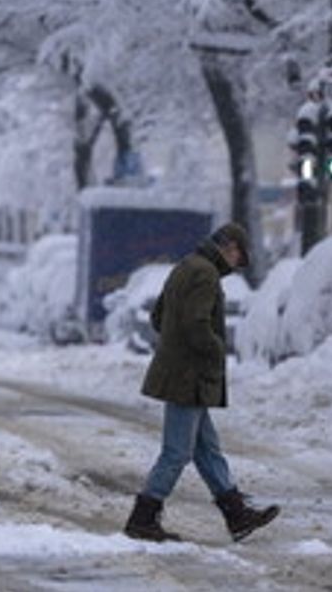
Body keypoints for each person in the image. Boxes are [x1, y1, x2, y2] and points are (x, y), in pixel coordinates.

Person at [124, 222, 280, 543]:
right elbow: (197, 325)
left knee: (207, 450)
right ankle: (142, 518)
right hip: (189, 377)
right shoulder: (206, 273)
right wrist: (216, 349)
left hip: (182, 373)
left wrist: (176, 345)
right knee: (176, 453)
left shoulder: (185, 266)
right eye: (240, 257)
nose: (238, 265)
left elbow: (158, 318)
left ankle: (237, 516)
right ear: (231, 248)